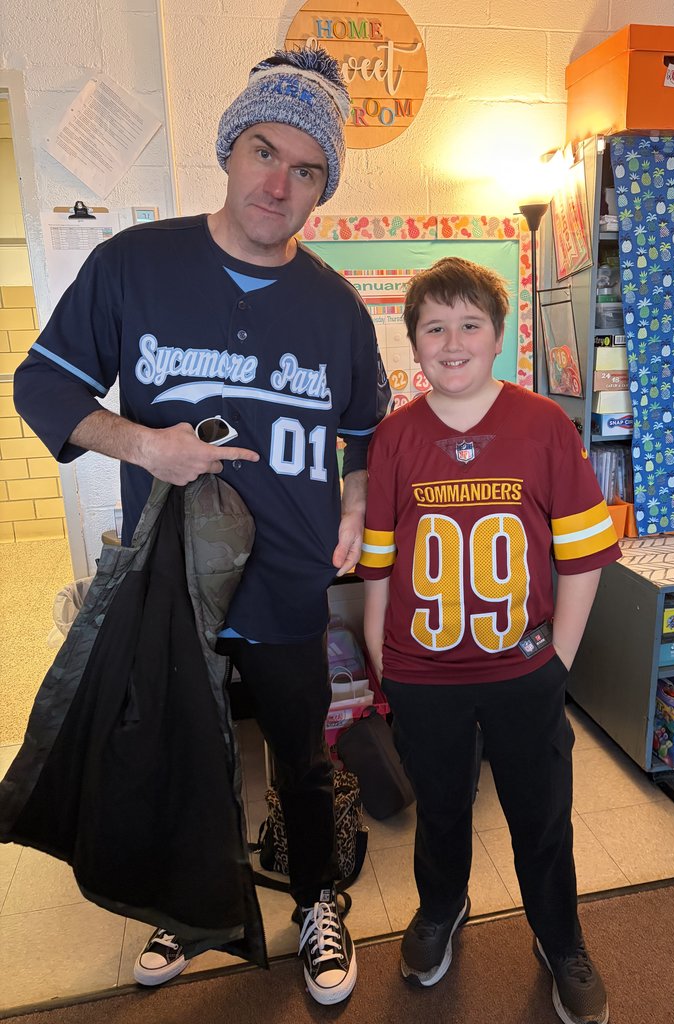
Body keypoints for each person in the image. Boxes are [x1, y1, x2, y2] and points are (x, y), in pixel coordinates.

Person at [14, 46, 390, 1006]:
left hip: (290, 578)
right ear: (230, 151)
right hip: (173, 572)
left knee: (302, 758)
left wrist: (354, 499)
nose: (279, 184)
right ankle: (185, 908)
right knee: (179, 748)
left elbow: (367, 429)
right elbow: (42, 384)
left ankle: (317, 900)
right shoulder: (135, 265)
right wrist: (143, 444)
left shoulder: (338, 308)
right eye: (264, 152)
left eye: (307, 170)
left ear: (323, 189)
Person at [356, 257, 620, 1024]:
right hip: (422, 674)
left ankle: (560, 936)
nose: (453, 342)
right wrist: (384, 664)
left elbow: (583, 557)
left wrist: (558, 661)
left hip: (522, 670)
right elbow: (379, 570)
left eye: (470, 324)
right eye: (434, 327)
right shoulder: (394, 438)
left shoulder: (544, 426)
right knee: (440, 810)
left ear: (499, 336)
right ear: (413, 343)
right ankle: (441, 908)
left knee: (542, 814)